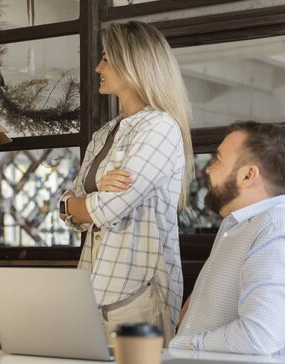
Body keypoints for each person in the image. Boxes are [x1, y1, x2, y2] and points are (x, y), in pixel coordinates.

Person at [58, 21, 194, 343]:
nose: (97, 67)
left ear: (133, 64)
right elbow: (71, 217)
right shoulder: (105, 133)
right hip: (92, 290)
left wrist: (73, 203)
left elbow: (104, 210)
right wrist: (74, 205)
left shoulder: (159, 128)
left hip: (137, 295)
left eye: (106, 58)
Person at [170, 122, 285, 356]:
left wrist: (184, 344)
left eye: (217, 159)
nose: (208, 169)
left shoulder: (277, 232)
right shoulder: (238, 223)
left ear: (248, 175)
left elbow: (259, 337)